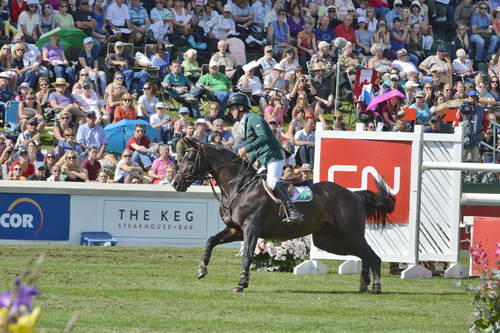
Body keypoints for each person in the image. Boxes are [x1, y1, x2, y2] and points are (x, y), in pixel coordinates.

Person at [228, 93, 303, 223]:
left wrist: (246, 149)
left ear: (240, 107)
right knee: (255, 180)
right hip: (264, 159)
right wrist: (246, 165)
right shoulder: (244, 123)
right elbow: (255, 148)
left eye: (232, 108)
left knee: (272, 182)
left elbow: (264, 138)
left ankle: (293, 211)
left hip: (273, 156)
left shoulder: (253, 118)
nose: (231, 111)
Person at [454, 89, 490, 162]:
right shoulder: (461, 108)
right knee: (460, 159)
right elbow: (455, 122)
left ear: (476, 98)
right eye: (469, 97)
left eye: (473, 97)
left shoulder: (481, 110)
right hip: (463, 139)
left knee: (476, 160)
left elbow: (486, 122)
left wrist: (484, 131)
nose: (470, 98)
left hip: (475, 139)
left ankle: (475, 173)